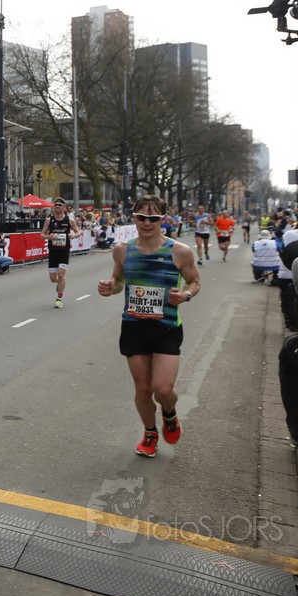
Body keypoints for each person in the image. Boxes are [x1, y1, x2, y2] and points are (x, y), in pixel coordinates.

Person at [97, 195, 200, 458]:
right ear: (134, 217)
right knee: (143, 388)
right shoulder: (122, 250)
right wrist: (110, 287)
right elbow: (118, 281)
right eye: (142, 217)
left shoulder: (180, 251)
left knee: (163, 389)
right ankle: (150, 433)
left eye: (153, 218)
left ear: (163, 219)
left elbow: (194, 281)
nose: (147, 223)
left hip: (166, 327)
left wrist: (186, 295)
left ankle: (169, 413)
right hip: (134, 326)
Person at [41, 198, 80, 308]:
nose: (57, 206)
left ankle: (59, 299)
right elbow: (42, 234)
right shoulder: (49, 220)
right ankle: (61, 282)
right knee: (53, 279)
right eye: (56, 205)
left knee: (61, 274)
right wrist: (48, 237)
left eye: (59, 205)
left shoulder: (70, 220)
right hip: (53, 251)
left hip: (64, 251)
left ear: (64, 207)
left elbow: (78, 232)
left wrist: (74, 235)